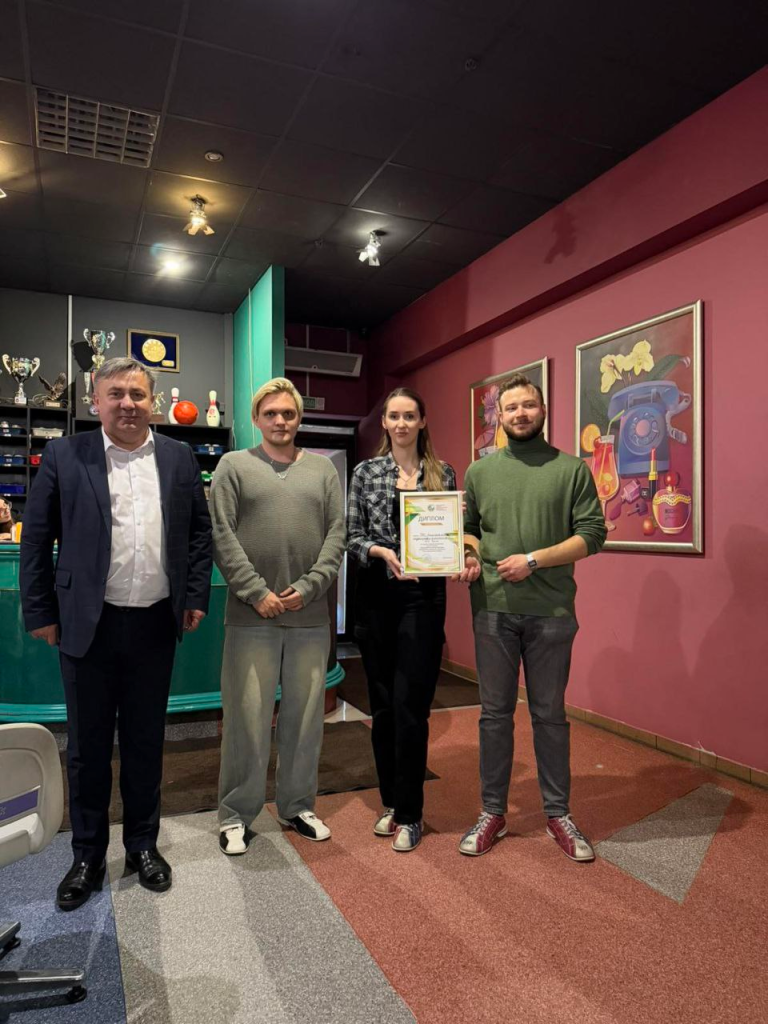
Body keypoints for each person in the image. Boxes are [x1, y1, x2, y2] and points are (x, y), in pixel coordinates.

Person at [20, 357, 212, 909]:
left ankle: (143, 846)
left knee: (146, 742)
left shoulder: (178, 457)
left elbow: (199, 535)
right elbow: (36, 540)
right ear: (95, 401)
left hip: (154, 623)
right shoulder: (65, 454)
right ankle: (86, 855)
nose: (128, 403)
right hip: (88, 625)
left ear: (153, 401)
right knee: (86, 748)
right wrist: (41, 611)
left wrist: (193, 597)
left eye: (137, 394)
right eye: (116, 394)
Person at [458, 373, 606, 861]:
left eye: (528, 405)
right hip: (492, 609)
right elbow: (470, 528)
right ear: (499, 417)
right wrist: (470, 555)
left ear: (543, 410)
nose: (520, 413)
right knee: (494, 716)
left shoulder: (572, 470)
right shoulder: (480, 472)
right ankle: (493, 812)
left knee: (550, 716)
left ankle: (558, 813)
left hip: (552, 612)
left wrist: (534, 560)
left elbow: (593, 535)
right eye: (511, 407)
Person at [210, 378, 345, 855]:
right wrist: (256, 592)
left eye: (288, 413)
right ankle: (235, 814)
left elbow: (337, 534)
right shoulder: (233, 466)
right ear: (256, 419)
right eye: (271, 414)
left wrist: (309, 588)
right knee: (246, 719)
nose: (280, 421)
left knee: (306, 720)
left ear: (299, 418)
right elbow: (221, 534)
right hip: (252, 617)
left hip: (309, 618)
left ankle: (297, 806)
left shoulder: (322, 471)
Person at [347, 387, 469, 852]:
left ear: (422, 421)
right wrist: (380, 552)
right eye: (393, 416)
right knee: (381, 707)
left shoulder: (443, 473)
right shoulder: (366, 472)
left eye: (409, 416)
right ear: (384, 422)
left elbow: (451, 534)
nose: (401, 423)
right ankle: (392, 803)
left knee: (410, 707)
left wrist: (457, 542)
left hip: (423, 598)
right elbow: (351, 536)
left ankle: (412, 814)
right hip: (376, 595)